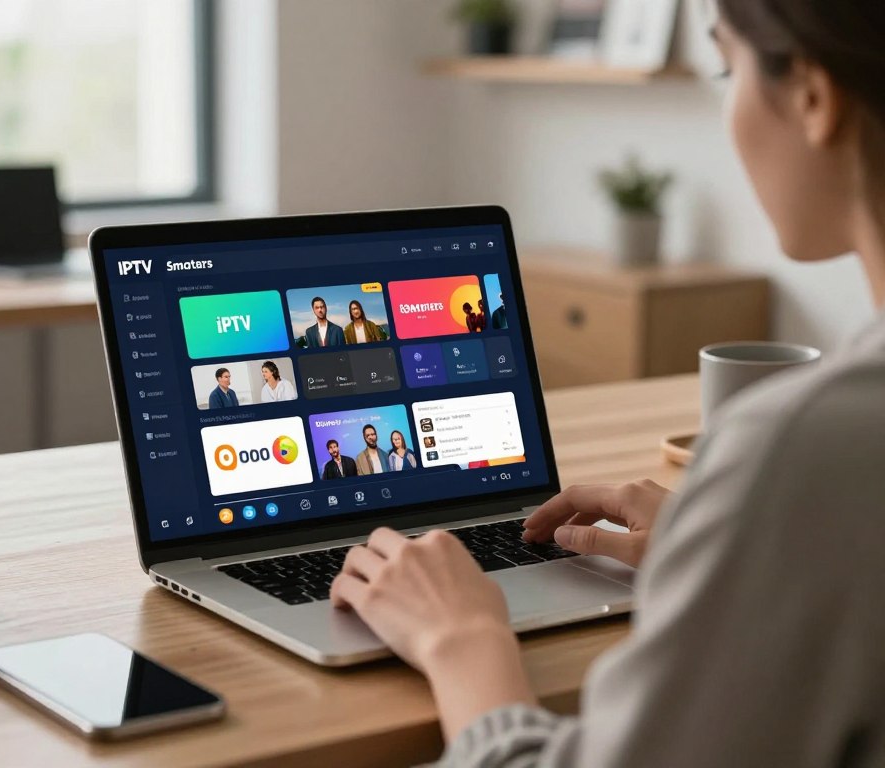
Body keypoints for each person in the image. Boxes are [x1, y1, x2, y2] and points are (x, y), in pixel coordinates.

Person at [330, 3, 885, 766]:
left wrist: (460, 637)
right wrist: (727, 551)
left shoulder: (804, 444)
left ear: (815, 99)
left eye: (727, 68)